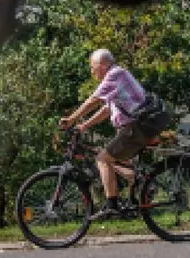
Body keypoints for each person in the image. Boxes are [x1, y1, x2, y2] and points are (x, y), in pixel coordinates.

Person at [58, 49, 148, 219]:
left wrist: (71, 119)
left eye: (93, 67)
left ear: (102, 65)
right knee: (112, 161)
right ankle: (141, 181)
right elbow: (107, 109)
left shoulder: (115, 74)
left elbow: (94, 100)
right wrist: (83, 126)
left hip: (134, 128)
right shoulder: (116, 77)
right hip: (134, 128)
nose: (92, 72)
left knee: (102, 159)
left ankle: (112, 204)